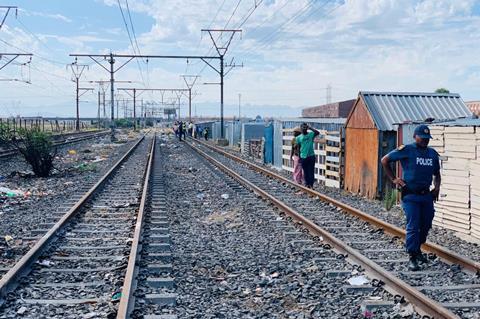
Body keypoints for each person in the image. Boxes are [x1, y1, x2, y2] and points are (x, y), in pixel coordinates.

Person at [381, 124, 441, 271]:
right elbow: (385, 160)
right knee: (413, 226)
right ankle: (412, 256)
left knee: (426, 224)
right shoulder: (407, 150)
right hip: (410, 195)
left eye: (427, 138)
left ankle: (417, 249)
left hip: (426, 196)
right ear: (415, 136)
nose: (425, 141)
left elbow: (437, 174)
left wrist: (437, 188)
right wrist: (394, 179)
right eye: (422, 138)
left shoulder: (432, 154)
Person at [295, 123, 319, 188]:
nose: (304, 129)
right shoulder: (298, 138)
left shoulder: (311, 134)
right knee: (305, 171)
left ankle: (311, 185)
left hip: (311, 156)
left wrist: (310, 128)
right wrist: (299, 157)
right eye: (302, 128)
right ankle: (307, 184)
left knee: (311, 171)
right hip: (303, 156)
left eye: (305, 128)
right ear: (301, 129)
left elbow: (317, 132)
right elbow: (298, 148)